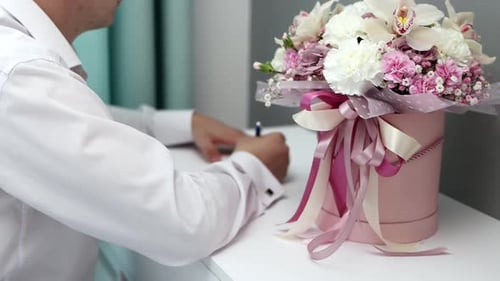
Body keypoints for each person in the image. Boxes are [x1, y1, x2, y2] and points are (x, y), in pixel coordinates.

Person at [0, 0, 290, 280]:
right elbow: (181, 224)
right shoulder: (19, 76)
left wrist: (177, 125)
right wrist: (255, 168)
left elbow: (68, 121)